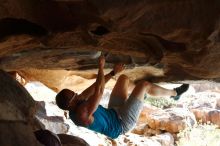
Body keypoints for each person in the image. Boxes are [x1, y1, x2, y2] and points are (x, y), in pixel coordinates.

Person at [55, 56, 189, 139]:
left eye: (75, 93)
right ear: (70, 105)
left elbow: (94, 87)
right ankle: (175, 94)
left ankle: (140, 96)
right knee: (144, 85)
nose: (77, 95)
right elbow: (99, 91)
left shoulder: (75, 102)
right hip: (122, 123)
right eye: (74, 95)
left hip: (113, 112)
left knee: (123, 79)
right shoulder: (81, 114)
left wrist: (113, 72)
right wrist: (101, 67)